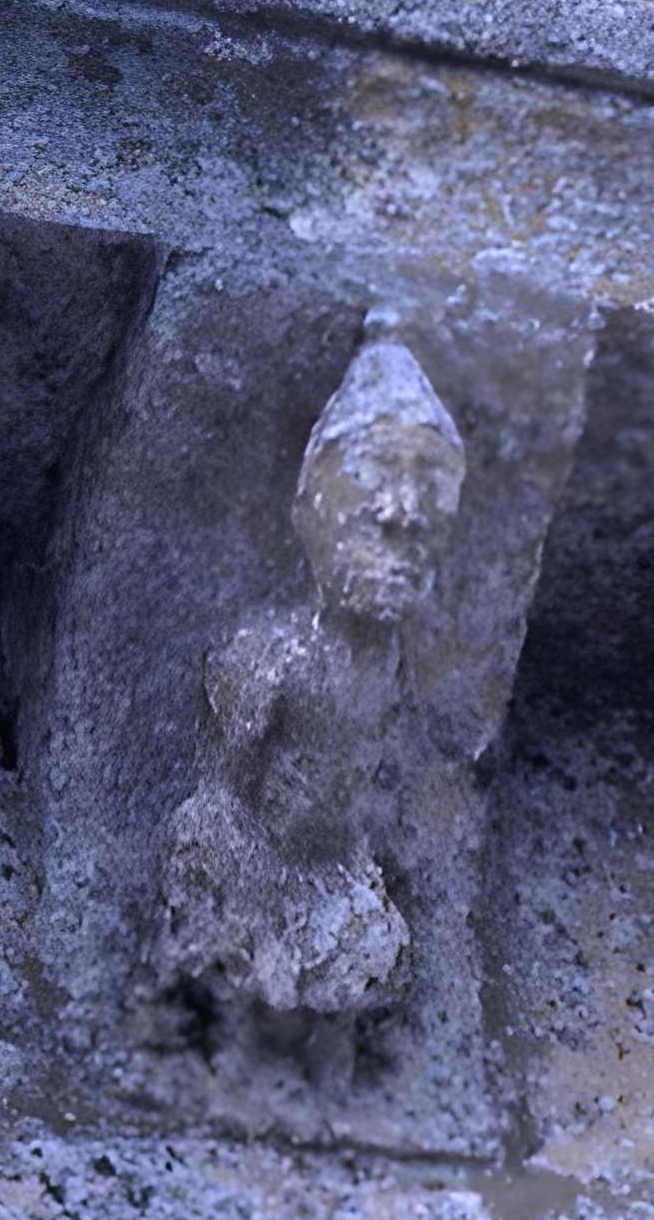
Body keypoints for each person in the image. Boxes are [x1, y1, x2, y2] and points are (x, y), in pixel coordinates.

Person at [153, 336, 465, 1023]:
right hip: (251, 857)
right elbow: (229, 786)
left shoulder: (396, 665)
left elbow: (379, 774)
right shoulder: (273, 657)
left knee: (372, 971)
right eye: (378, 476)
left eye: (431, 491)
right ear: (310, 508)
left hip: (339, 872)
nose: (402, 512)